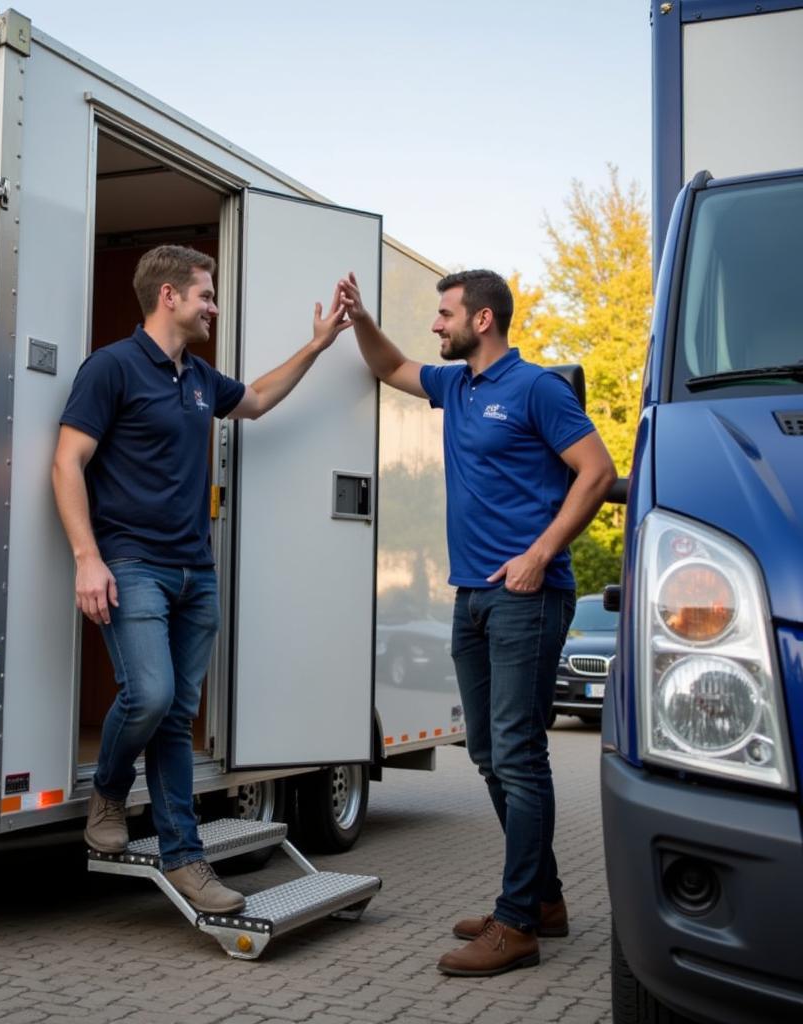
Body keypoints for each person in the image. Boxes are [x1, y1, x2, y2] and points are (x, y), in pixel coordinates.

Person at [53, 245, 351, 915]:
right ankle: (108, 789)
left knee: (176, 717)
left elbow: (259, 399)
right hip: (132, 564)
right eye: (206, 295)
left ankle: (185, 859)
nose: (213, 305)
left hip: (196, 572)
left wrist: (318, 346)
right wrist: (86, 558)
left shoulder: (197, 377)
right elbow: (66, 463)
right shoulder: (112, 368)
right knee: (151, 695)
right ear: (169, 298)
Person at [339, 268, 616, 977]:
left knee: (521, 757)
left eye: (444, 313)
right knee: (489, 754)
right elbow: (389, 365)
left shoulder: (538, 389)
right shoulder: (455, 386)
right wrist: (360, 318)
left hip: (530, 595)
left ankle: (518, 922)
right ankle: (544, 900)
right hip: (473, 598)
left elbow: (595, 469)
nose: (436, 325)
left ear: (483, 320)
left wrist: (541, 553)